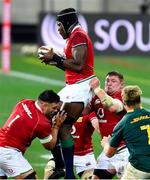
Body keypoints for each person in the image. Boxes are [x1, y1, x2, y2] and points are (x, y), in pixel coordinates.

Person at [38, 7, 95, 179]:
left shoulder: (78, 36)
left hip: (80, 87)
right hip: (75, 87)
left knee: (49, 117)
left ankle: (62, 167)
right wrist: (54, 61)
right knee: (61, 125)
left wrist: (55, 58)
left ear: (66, 23)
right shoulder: (73, 36)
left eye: (59, 26)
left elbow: (78, 65)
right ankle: (66, 171)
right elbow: (70, 64)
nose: (58, 29)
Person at [0, 90, 67, 179]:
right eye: (53, 108)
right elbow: (49, 146)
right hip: (8, 152)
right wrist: (56, 126)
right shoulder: (41, 122)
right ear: (44, 104)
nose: (55, 111)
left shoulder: (24, 102)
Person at [102, 85, 150, 179]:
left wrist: (106, 143)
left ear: (123, 102)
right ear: (139, 100)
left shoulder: (123, 123)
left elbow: (109, 153)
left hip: (139, 168)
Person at [87, 71, 129, 179]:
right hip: (108, 148)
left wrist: (97, 89)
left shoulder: (124, 96)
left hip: (125, 149)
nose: (109, 83)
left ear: (121, 84)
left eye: (113, 81)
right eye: (107, 80)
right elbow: (83, 111)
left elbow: (113, 107)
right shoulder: (97, 98)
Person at [71, 110, 99, 179]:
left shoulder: (89, 111)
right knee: (49, 173)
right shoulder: (64, 107)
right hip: (63, 153)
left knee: (90, 178)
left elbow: (97, 126)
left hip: (84, 156)